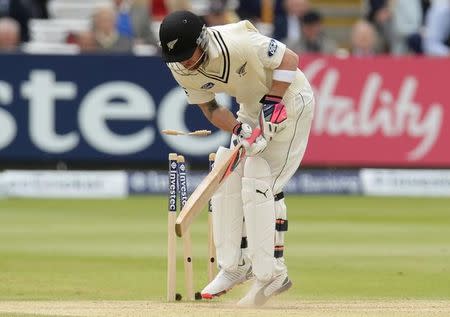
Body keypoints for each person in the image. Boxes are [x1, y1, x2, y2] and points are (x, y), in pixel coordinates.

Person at [159, 10, 314, 306]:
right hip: (249, 108)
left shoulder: (239, 42)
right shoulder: (179, 65)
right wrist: (238, 128)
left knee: (262, 182)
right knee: (227, 175)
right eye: (179, 58)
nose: (187, 63)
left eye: (189, 55)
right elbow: (211, 109)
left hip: (289, 99)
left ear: (202, 40)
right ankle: (234, 267)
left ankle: (272, 275)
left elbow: (290, 59)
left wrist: (273, 102)